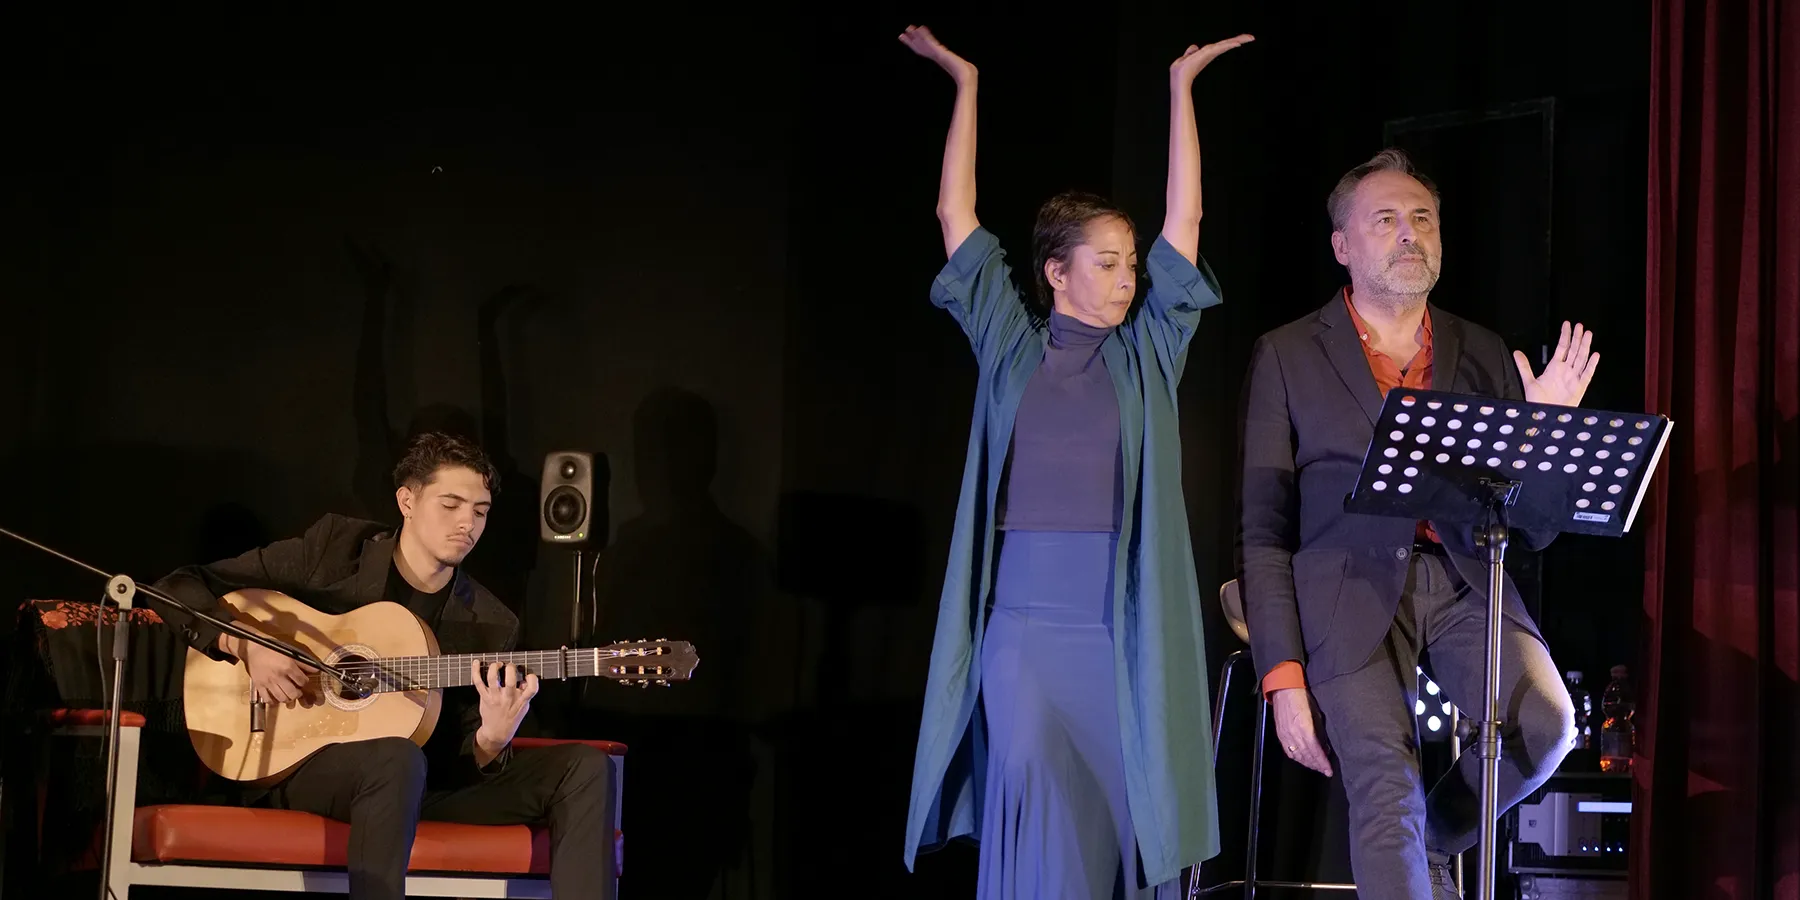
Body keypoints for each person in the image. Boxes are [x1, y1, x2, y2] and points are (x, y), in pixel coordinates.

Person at [896, 24, 1249, 899]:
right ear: (1056, 272)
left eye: (1132, 264)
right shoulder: (1011, 347)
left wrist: (1182, 91)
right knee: (1043, 818)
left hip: (1117, 630)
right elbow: (954, 216)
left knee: (1120, 827)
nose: (1128, 278)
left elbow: (1188, 220)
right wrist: (966, 83)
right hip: (1023, 634)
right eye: (1108, 262)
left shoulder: (1149, 354)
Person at [1237, 147, 1592, 899]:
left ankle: (1436, 835)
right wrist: (1283, 676)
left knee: (1548, 723)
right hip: (1345, 593)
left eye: (1422, 219)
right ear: (1342, 246)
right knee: (1383, 784)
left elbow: (1533, 528)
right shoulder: (1289, 353)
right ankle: (1408, 840)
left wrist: (1546, 437)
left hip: (1464, 581)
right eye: (1387, 219)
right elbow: (1264, 532)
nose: (1409, 234)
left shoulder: (1482, 350)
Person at [155, 432, 616, 900]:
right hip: (300, 762)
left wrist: (490, 742)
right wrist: (246, 645)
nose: (467, 525)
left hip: (421, 782)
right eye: (450, 505)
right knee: (397, 757)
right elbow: (176, 586)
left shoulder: (492, 623)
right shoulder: (336, 551)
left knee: (585, 767)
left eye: (479, 512)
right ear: (407, 501)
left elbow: (458, 766)